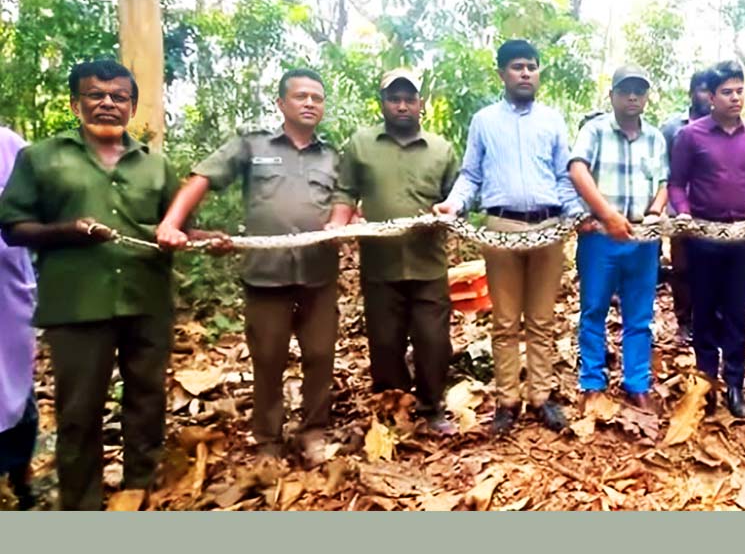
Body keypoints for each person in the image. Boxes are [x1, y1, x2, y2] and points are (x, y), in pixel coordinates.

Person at [0, 60, 181, 510]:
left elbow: (172, 228)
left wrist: (208, 240)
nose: (107, 103)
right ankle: (82, 505)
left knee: (147, 399)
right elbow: (12, 227)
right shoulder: (40, 158)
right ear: (75, 102)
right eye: (96, 95)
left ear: (132, 106)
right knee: (79, 412)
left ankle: (141, 485)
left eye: (118, 96)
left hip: (147, 299)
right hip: (77, 304)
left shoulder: (155, 166)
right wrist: (67, 231)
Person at [156, 68, 345, 468]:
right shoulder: (252, 145)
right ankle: (268, 442)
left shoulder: (333, 157)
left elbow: (346, 203)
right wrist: (173, 224)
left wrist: (348, 220)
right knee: (269, 357)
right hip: (266, 274)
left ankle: (313, 431)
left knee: (320, 354)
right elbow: (202, 177)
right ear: (281, 103)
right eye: (301, 96)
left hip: (318, 275)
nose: (310, 103)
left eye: (317, 97)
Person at [434, 39, 582, 436]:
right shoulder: (484, 121)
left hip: (549, 228)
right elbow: (471, 175)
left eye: (532, 66)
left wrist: (576, 214)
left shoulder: (552, 120)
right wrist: (453, 204)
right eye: (517, 66)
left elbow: (563, 176)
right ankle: (507, 401)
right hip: (501, 228)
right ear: (501, 73)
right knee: (504, 320)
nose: (525, 73)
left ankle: (541, 396)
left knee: (541, 319)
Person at [329, 69, 460, 436]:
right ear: (383, 102)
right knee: (385, 342)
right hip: (380, 264)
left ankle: (433, 408)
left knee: (433, 342)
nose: (402, 105)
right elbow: (345, 191)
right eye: (394, 98)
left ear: (421, 103)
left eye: (409, 98)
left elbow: (458, 198)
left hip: (428, 264)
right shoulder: (361, 144)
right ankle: (392, 408)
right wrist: (338, 226)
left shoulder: (441, 149)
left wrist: (451, 212)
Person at [668, 61, 745, 419]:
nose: (734, 98)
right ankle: (706, 382)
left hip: (742, 239)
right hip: (703, 238)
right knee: (703, 313)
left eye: (739, 91)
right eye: (726, 92)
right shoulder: (691, 136)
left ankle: (734, 384)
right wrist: (682, 212)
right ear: (710, 97)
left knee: (736, 313)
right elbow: (676, 184)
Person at [568, 64, 668, 413]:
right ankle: (593, 382)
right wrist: (606, 215)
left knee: (639, 315)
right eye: (625, 90)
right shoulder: (595, 131)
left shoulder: (655, 137)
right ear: (611, 95)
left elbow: (663, 182)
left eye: (639, 91)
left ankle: (637, 383)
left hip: (643, 238)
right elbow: (577, 170)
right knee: (593, 309)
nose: (632, 97)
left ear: (645, 97)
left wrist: (656, 211)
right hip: (600, 237)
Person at [660, 71, 714, 345]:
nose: (706, 96)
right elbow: (663, 170)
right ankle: (684, 322)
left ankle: (711, 321)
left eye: (710, 90)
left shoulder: (722, 127)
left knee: (713, 270)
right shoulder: (673, 128)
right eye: (702, 90)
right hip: (678, 212)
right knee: (682, 269)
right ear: (692, 92)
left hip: (713, 213)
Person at [0, 125, 38, 509]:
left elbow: (40, 201)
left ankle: (19, 476)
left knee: (12, 382)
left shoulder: (8, 144)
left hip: (6, 288)